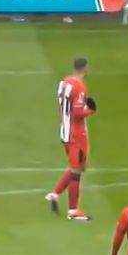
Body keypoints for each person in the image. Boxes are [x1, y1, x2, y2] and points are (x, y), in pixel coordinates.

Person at [46, 58, 97, 221]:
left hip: (65, 132)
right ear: (86, 68)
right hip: (77, 135)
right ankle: (73, 211)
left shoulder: (64, 82)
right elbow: (77, 113)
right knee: (77, 171)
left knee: (78, 167)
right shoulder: (80, 87)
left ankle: (55, 194)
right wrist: (91, 110)